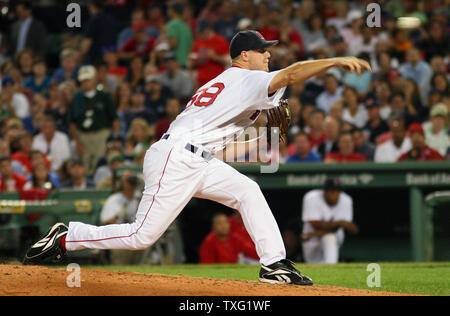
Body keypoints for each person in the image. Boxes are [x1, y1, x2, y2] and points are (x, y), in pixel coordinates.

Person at [24, 30, 370, 285]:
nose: (267, 55)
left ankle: (275, 264)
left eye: (268, 51)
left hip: (195, 158)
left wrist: (263, 125)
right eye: (262, 50)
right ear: (244, 56)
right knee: (141, 236)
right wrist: (334, 61)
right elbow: (292, 74)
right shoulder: (247, 78)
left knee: (247, 191)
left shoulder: (231, 86)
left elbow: (225, 147)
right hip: (176, 158)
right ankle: (67, 237)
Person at [68, 65, 120, 173]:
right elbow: (72, 122)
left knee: (101, 162)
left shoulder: (104, 95)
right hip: (83, 136)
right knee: (85, 164)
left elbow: (114, 119)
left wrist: (115, 138)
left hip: (101, 135)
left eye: (88, 79)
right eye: (83, 80)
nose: (86, 82)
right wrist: (77, 141)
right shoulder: (76, 98)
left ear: (94, 79)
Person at [301, 178, 358, 264]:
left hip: (321, 237)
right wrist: (339, 223)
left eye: (338, 191)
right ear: (325, 192)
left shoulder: (346, 200)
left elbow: (353, 230)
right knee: (313, 265)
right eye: (332, 192)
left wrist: (339, 225)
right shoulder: (311, 197)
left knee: (330, 238)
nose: (336, 195)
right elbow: (316, 225)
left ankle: (331, 266)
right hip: (312, 241)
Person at [100, 171, 142, 264]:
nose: (130, 181)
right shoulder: (114, 199)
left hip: (137, 239)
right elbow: (104, 222)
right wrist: (119, 215)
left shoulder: (140, 198)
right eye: (127, 179)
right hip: (121, 239)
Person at [189, 20, 230, 88]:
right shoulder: (198, 43)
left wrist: (215, 57)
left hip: (218, 82)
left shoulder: (220, 41)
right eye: (200, 32)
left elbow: (229, 61)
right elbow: (190, 64)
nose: (201, 34)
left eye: (203, 31)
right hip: (202, 83)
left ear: (209, 29)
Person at [166, 2, 193, 68]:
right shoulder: (186, 25)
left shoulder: (173, 24)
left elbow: (173, 43)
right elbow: (191, 45)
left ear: (173, 11)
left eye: (169, 9)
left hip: (176, 63)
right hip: (186, 63)